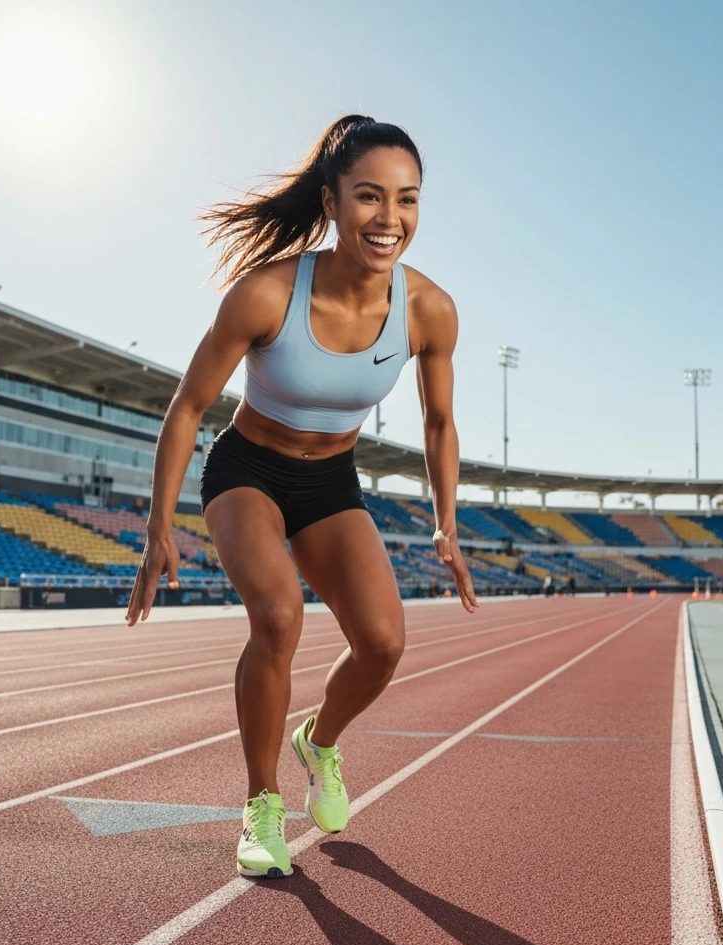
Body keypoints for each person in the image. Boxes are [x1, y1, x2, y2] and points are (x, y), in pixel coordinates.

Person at [125, 115, 477, 879]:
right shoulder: (267, 293)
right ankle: (261, 804)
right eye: (369, 196)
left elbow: (440, 422)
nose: (389, 218)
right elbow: (188, 407)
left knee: (383, 644)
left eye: (408, 199)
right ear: (331, 201)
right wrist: (159, 528)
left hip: (331, 482)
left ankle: (318, 743)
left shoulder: (429, 310)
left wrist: (446, 524)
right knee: (279, 615)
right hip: (249, 471)